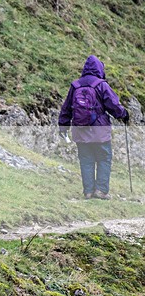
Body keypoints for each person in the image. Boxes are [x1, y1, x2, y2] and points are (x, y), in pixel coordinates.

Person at [59, 55, 129, 200]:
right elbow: (114, 105)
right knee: (104, 158)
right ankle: (101, 191)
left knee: (86, 160)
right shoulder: (101, 85)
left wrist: (63, 126)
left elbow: (66, 108)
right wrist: (124, 115)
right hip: (99, 130)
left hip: (80, 129)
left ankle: (88, 192)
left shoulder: (75, 85)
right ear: (99, 68)